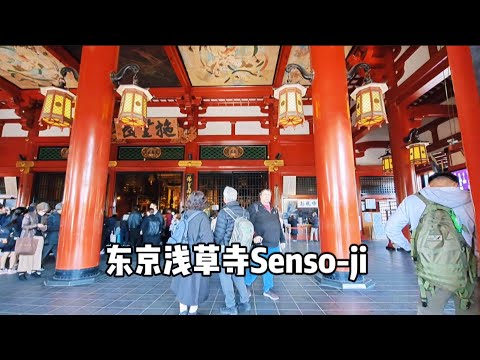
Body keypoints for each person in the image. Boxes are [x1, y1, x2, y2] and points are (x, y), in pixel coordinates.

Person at [385, 172, 477, 315]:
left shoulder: (413, 201)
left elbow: (391, 228)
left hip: (431, 269)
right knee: (469, 309)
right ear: (456, 184)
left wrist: (411, 249)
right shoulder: (472, 198)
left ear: (429, 185)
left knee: (429, 310)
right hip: (468, 269)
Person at [170, 191, 214, 315]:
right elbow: (207, 240)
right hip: (196, 254)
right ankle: (193, 311)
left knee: (183, 280)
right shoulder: (203, 217)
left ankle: (182, 310)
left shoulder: (184, 214)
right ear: (202, 202)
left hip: (182, 251)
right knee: (196, 282)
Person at [214, 186, 251, 315]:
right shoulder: (245, 212)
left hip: (226, 249)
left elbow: (219, 235)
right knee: (238, 275)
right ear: (235, 198)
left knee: (225, 277)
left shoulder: (224, 213)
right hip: (240, 249)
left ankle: (231, 306)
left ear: (224, 199)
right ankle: (245, 302)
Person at [245, 189, 286, 301]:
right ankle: (246, 284)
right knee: (257, 266)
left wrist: (282, 240)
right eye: (265, 194)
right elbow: (249, 224)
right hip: (261, 244)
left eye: (269, 195)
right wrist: (254, 236)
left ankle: (267, 289)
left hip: (274, 244)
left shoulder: (274, 210)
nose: (268, 196)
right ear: (260, 196)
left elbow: (279, 226)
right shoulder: (255, 207)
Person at [17, 202, 49, 280]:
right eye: (43, 211)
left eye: (45, 211)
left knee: (37, 255)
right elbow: (24, 226)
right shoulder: (28, 215)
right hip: (30, 236)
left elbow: (45, 227)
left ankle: (34, 270)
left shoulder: (44, 217)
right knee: (26, 255)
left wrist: (44, 227)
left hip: (40, 237)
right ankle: (22, 272)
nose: (44, 213)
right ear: (38, 209)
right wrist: (36, 225)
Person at [41, 202, 62, 267]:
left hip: (54, 237)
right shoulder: (53, 216)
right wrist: (60, 227)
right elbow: (49, 227)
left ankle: (59, 264)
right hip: (52, 238)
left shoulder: (54, 216)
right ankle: (37, 265)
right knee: (45, 252)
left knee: (55, 252)